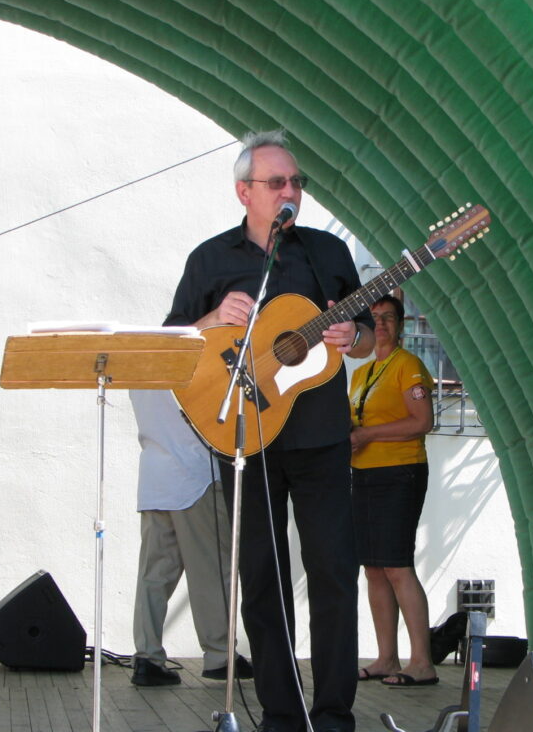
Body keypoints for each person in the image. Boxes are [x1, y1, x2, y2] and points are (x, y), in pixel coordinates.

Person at [163, 130, 374, 732]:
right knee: (262, 577)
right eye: (277, 182)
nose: (290, 192)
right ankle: (282, 715)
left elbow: (365, 336)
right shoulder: (210, 259)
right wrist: (211, 318)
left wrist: (352, 336)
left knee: (335, 572)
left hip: (322, 436)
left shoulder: (328, 253)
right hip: (244, 438)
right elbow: (174, 342)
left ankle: (333, 715)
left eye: (296, 182)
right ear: (244, 192)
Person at [128, 388, 253, 686]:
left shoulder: (139, 368)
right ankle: (220, 655)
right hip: (195, 472)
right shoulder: (194, 358)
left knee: (154, 576)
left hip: (155, 474)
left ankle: (147, 657)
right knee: (212, 571)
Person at [348, 294, 437, 687]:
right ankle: (386, 658)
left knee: (397, 566)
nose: (380, 323)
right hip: (364, 474)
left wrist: (367, 434)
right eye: (374, 317)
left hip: (401, 472)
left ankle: (422, 663)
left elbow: (422, 421)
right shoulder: (360, 373)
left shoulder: (408, 366)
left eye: (388, 317)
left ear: (401, 325)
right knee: (373, 568)